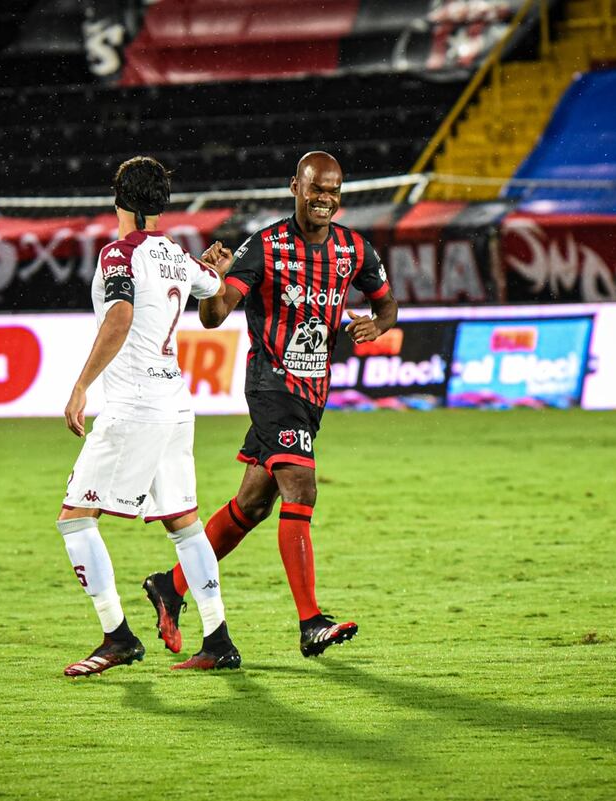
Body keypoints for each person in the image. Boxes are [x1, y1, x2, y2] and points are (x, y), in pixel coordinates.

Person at [144, 151, 398, 658]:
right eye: (315, 188)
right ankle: (310, 622)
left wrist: (380, 324)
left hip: (313, 394)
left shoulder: (354, 249)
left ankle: (170, 586)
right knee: (300, 489)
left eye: (333, 190)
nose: (324, 198)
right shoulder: (265, 247)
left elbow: (386, 301)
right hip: (270, 385)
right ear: (295, 187)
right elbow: (215, 317)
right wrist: (211, 282)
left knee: (253, 505)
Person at [58, 156, 240, 676]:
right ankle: (219, 639)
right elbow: (214, 296)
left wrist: (80, 386)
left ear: (120, 201)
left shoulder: (119, 253)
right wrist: (215, 271)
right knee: (185, 525)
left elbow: (120, 315)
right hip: (175, 406)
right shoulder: (179, 258)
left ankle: (117, 637)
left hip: (134, 406)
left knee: (75, 520)